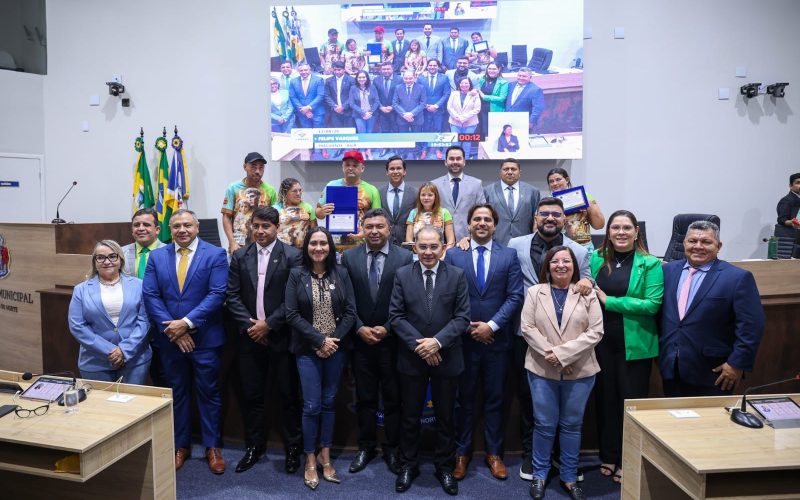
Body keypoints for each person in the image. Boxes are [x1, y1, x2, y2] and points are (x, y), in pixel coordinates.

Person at [507, 197, 593, 482]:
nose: (550, 218)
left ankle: (561, 457)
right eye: (544, 213)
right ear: (536, 216)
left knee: (568, 407)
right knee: (531, 399)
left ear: (564, 219)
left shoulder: (579, 250)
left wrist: (587, 282)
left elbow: (588, 280)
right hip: (527, 333)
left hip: (570, 340)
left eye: (556, 214)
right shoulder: (515, 244)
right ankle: (533, 456)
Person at [142, 209, 229, 474]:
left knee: (209, 393)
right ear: (169, 229)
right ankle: (181, 445)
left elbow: (217, 294)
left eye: (187, 225)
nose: (182, 230)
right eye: (177, 226)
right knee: (176, 394)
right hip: (170, 341)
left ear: (197, 226)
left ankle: (212, 447)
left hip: (204, 339)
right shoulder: (157, 257)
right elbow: (150, 295)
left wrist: (186, 324)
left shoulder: (215, 254)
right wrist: (174, 330)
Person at [389, 225, 471, 495]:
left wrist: (436, 342)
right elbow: (396, 317)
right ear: (414, 248)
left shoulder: (457, 276)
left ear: (443, 247)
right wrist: (422, 346)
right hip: (411, 359)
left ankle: (444, 468)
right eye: (422, 247)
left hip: (446, 358)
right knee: (410, 417)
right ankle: (408, 465)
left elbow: (462, 318)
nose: (427, 252)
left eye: (433, 246)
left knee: (445, 417)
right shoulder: (402, 275)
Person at [445, 204, 524, 482]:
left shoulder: (509, 255)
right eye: (476, 219)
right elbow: (448, 295)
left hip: (496, 342)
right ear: (468, 224)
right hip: (463, 341)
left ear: (494, 225)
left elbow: (515, 296)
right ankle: (462, 453)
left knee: (495, 400)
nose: (481, 223)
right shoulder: (454, 255)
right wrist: (467, 325)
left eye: (487, 219)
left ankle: (494, 454)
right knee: (463, 401)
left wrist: (490, 325)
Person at [226, 207, 303, 475]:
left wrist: (268, 325)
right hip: (249, 339)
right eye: (256, 226)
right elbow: (232, 296)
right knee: (252, 396)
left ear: (277, 227)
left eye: (265, 227)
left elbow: (293, 299)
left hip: (281, 338)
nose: (260, 231)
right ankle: (254, 446)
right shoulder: (240, 256)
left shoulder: (293, 255)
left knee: (288, 396)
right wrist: (252, 327)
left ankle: (294, 448)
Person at [521, 246, 603, 500]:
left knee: (571, 426)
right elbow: (527, 327)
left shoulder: (586, 294)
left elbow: (596, 331)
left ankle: (568, 476)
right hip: (541, 369)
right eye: (554, 261)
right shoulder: (535, 292)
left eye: (566, 261)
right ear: (547, 266)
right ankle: (540, 474)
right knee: (544, 425)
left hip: (580, 371)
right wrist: (555, 356)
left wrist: (563, 355)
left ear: (574, 266)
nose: (560, 265)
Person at [590, 210, 663, 484]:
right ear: (608, 232)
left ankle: (627, 458)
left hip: (635, 345)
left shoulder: (650, 264)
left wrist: (610, 302)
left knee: (629, 402)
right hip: (600, 344)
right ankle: (608, 454)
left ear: (636, 232)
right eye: (615, 228)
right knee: (605, 400)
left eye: (626, 228)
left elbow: (652, 305)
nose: (621, 232)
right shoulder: (597, 258)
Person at [341, 208, 414, 475]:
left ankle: (392, 449)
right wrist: (359, 327)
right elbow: (345, 299)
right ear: (362, 228)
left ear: (389, 230)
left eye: (379, 226)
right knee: (365, 397)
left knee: (394, 399)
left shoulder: (406, 257)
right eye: (369, 226)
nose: (374, 231)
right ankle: (366, 446)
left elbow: (410, 300)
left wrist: (387, 327)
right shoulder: (349, 257)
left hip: (393, 341)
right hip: (360, 341)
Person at [285, 227, 357, 490]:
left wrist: (332, 341)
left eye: (323, 243)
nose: (318, 248)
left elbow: (350, 312)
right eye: (313, 243)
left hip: (335, 349)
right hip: (308, 350)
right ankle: (310, 459)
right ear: (306, 246)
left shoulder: (342, 274)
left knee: (328, 403)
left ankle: (326, 456)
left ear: (330, 247)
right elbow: (291, 315)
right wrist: (319, 340)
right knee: (311, 406)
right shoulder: (296, 275)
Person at [659, 220, 765, 397]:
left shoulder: (737, 278)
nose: (698, 246)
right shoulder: (667, 271)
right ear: (684, 243)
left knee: (710, 424)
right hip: (671, 368)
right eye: (692, 241)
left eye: (706, 242)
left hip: (714, 373)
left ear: (718, 245)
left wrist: (736, 364)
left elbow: (752, 326)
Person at [68, 240, 152, 385]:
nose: (107, 262)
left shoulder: (139, 285)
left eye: (112, 256)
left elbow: (144, 321)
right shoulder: (81, 290)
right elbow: (77, 326)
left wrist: (124, 350)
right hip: (95, 362)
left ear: (120, 259)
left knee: (132, 406)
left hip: (135, 359)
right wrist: (111, 351)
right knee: (101, 407)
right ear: (94, 262)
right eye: (100, 257)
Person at [121, 207, 166, 385]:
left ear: (157, 229)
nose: (141, 228)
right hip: (129, 328)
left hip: (161, 327)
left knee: (162, 379)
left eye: (146, 224)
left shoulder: (171, 253)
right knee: (131, 382)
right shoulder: (119, 254)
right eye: (136, 225)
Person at [316, 150, 382, 244]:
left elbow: (377, 219)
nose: (350, 168)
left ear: (362, 168)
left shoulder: (371, 190)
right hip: (335, 242)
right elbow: (318, 212)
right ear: (343, 167)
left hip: (362, 242)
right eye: (347, 165)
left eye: (355, 165)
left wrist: (364, 233)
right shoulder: (331, 186)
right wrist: (322, 212)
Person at [221, 152, 278, 254]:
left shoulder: (270, 190)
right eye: (253, 167)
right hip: (239, 244)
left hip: (263, 244)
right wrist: (232, 242)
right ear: (245, 167)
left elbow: (275, 220)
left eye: (261, 168)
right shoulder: (234, 188)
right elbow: (226, 217)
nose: (257, 171)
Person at [431, 145, 486, 241]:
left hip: (468, 240)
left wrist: (472, 237)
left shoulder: (476, 184)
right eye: (451, 159)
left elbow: (482, 214)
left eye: (458, 159)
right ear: (445, 162)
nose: (455, 162)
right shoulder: (434, 184)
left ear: (464, 162)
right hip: (440, 242)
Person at [483, 158, 540, 245]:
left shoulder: (532, 191)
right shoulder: (487, 191)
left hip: (524, 243)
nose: (509, 172)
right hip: (496, 243)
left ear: (519, 172)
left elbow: (536, 218)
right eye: (506, 169)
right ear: (500, 172)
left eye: (513, 169)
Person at [547, 167, 605, 251]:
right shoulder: (547, 202)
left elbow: (599, 225)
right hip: (558, 248)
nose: (555, 183)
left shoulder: (584, 196)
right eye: (551, 181)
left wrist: (587, 205)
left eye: (558, 179)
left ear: (567, 180)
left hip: (585, 247)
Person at [379, 156, 418, 246]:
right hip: (384, 243)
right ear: (387, 172)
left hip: (407, 244)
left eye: (399, 168)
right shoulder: (379, 193)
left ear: (404, 171)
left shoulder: (415, 193)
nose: (395, 172)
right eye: (392, 169)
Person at [406, 182, 455, 249]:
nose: (426, 198)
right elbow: (409, 239)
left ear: (435, 196)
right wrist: (417, 251)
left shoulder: (444, 212)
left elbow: (451, 241)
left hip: (439, 255)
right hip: (418, 254)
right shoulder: (413, 212)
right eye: (423, 195)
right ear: (419, 197)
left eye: (430, 195)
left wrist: (445, 253)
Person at [418, 58, 451, 160]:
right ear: (427, 66)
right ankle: (424, 149)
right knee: (425, 129)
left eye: (434, 65)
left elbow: (446, 94)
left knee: (439, 129)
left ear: (438, 67)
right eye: (430, 65)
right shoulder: (421, 78)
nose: (432, 67)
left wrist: (436, 106)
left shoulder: (444, 78)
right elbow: (418, 93)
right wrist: (426, 105)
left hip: (439, 109)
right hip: (425, 109)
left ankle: (438, 149)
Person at [274, 177, 317, 249]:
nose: (298, 193)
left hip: (301, 249)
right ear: (285, 193)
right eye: (294, 191)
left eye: (300, 190)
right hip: (280, 248)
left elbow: (314, 231)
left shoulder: (307, 208)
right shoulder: (275, 208)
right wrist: (299, 217)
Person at [392, 70, 426, 158]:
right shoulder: (398, 87)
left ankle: (416, 153)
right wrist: (404, 114)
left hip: (417, 117)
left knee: (416, 136)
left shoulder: (421, 87)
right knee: (403, 137)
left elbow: (423, 103)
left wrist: (412, 114)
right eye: (406, 78)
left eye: (410, 78)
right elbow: (395, 103)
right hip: (402, 117)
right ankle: (403, 153)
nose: (408, 80)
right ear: (403, 78)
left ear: (414, 78)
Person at [447, 77, 481, 159]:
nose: (464, 85)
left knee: (467, 142)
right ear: (459, 84)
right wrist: (456, 117)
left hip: (470, 123)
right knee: (455, 142)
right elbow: (449, 107)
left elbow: (477, 109)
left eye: (466, 83)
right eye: (462, 83)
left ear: (470, 84)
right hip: (455, 122)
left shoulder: (475, 94)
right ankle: (455, 159)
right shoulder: (454, 93)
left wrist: (463, 118)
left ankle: (466, 159)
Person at [349, 70, 380, 160]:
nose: (362, 79)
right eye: (359, 77)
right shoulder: (353, 88)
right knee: (362, 133)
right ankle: (362, 151)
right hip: (359, 115)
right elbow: (351, 103)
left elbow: (377, 101)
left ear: (367, 78)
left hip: (371, 115)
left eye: (363, 77)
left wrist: (370, 112)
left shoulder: (372, 87)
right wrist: (363, 112)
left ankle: (368, 150)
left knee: (369, 133)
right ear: (357, 78)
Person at [506, 67, 545, 132]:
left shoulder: (536, 90)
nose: (521, 78)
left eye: (524, 76)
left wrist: (530, 122)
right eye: (519, 75)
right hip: (508, 121)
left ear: (530, 77)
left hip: (524, 123)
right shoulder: (510, 85)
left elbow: (538, 109)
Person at [374, 62, 402, 150]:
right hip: (382, 110)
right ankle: (385, 148)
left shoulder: (399, 79)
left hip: (395, 110)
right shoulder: (376, 80)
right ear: (381, 70)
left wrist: (393, 106)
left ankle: (397, 148)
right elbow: (375, 96)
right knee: (384, 130)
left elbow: (402, 95)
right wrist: (381, 107)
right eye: (384, 69)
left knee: (395, 130)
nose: (386, 71)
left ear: (392, 69)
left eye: (388, 69)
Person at [289, 62, 326, 129]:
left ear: (310, 70)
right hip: (302, 113)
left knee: (318, 135)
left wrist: (308, 107)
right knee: (307, 136)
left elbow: (320, 95)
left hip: (317, 113)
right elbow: (293, 97)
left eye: (306, 70)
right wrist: (303, 110)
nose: (303, 72)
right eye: (301, 70)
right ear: (298, 71)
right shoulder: (293, 81)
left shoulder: (319, 80)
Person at [478, 63, 508, 140]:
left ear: (499, 70)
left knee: (493, 133)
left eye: (494, 69)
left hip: (495, 110)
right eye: (490, 68)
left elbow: (502, 98)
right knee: (483, 132)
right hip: (481, 110)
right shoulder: (482, 80)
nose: (491, 71)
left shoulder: (503, 83)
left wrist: (485, 97)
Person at [324, 61, 355, 131]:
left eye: (339, 70)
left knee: (349, 133)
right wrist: (335, 106)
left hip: (348, 111)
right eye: (335, 70)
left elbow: (352, 96)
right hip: (334, 111)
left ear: (344, 69)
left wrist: (343, 107)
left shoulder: (351, 80)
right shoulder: (329, 80)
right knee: (337, 133)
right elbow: (326, 95)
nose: (337, 72)